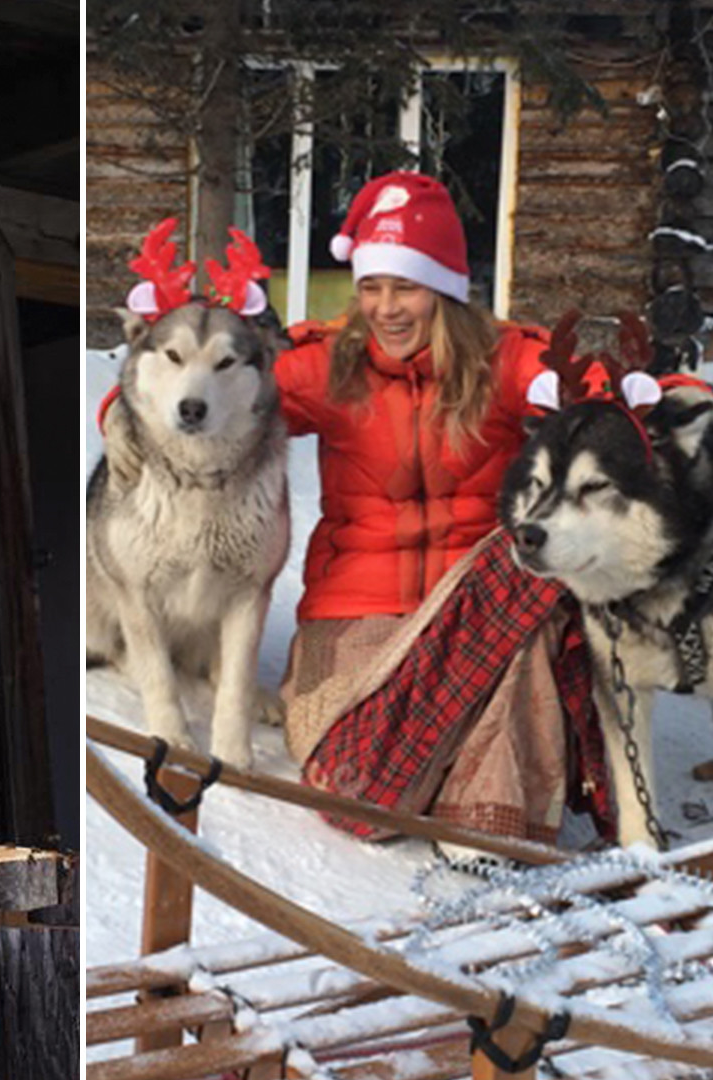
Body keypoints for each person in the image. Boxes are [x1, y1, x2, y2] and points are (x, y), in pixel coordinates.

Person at [274, 171, 614, 850]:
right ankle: (451, 766)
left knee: (526, 592)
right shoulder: (328, 366)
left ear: (446, 291)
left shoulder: (505, 360)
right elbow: (199, 405)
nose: (387, 308)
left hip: (478, 602)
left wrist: (609, 395)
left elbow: (614, 400)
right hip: (358, 610)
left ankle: (482, 827)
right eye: (371, 287)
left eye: (407, 286)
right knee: (359, 786)